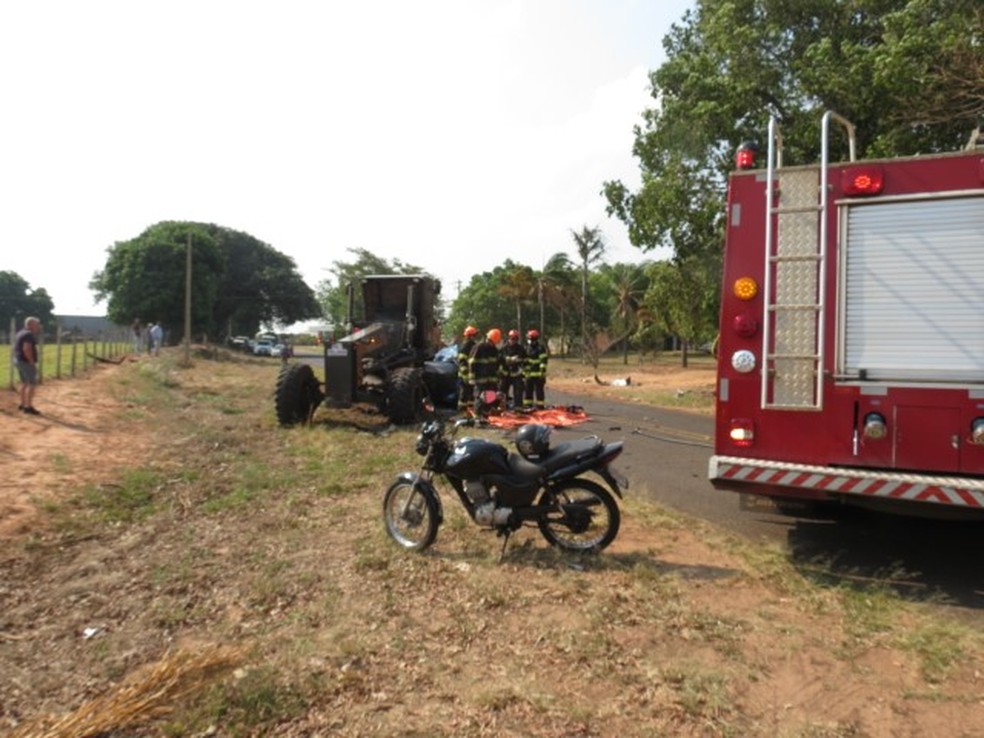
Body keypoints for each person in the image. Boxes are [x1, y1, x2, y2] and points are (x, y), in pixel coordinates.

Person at [469, 328, 503, 414]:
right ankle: (478, 416)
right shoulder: (478, 347)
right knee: (481, 396)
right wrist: (472, 378)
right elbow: (472, 363)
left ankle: (486, 412)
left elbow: (496, 364)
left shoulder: (494, 350)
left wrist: (497, 377)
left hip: (490, 379)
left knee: (491, 396)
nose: (494, 344)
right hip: (480, 378)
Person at [14, 316, 43, 415]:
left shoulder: (20, 332)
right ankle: (28, 407)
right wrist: (31, 362)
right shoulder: (28, 335)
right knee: (32, 384)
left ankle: (22, 404)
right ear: (30, 324)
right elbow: (26, 349)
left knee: (24, 383)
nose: (38, 327)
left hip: (19, 360)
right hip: (26, 362)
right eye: (37, 325)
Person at [499, 329, 526, 409]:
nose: (513, 340)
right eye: (512, 338)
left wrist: (517, 360)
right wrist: (507, 359)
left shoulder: (520, 348)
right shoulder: (504, 348)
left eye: (515, 339)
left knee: (518, 391)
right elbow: (499, 358)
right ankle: (502, 406)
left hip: (516, 373)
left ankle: (518, 407)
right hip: (505, 373)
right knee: (502, 391)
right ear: (509, 338)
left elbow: (524, 359)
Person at [523, 329, 548, 410]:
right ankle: (527, 406)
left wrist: (542, 373)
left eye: (530, 339)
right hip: (528, 375)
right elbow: (525, 362)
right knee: (527, 391)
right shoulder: (526, 348)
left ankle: (540, 406)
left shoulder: (540, 348)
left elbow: (543, 362)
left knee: (539, 392)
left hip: (538, 375)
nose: (529, 340)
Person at [456, 325, 479, 411]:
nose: (475, 337)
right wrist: (466, 376)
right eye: (474, 335)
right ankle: (462, 411)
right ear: (470, 336)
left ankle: (470, 411)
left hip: (471, 375)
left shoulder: (473, 345)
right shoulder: (464, 347)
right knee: (463, 394)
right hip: (464, 376)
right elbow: (462, 363)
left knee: (471, 394)